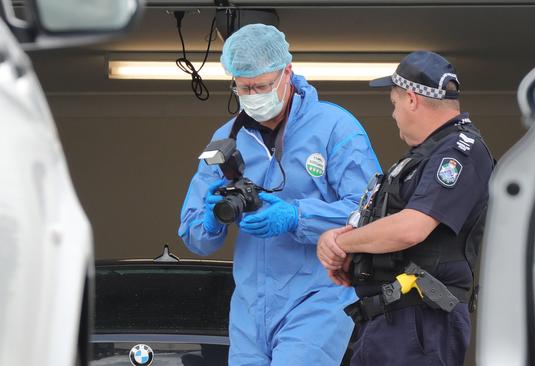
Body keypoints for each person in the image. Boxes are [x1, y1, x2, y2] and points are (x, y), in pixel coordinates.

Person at [178, 24, 381, 365]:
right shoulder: (227, 138)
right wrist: (212, 220)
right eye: (244, 87)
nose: (254, 94)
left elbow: (368, 214)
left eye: (262, 85)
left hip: (318, 297)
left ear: (287, 72)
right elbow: (193, 234)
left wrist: (295, 217)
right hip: (249, 308)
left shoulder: (335, 128)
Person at [316, 51, 495, 366]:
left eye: (394, 103)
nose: (394, 114)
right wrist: (355, 255)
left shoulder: (458, 152)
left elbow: (412, 227)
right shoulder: (423, 156)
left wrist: (339, 242)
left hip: (418, 322)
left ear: (412, 99)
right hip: (385, 320)